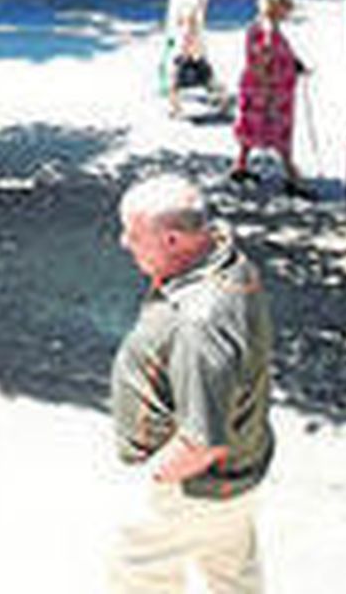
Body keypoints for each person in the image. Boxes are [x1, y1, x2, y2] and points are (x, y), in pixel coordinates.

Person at [109, 174, 275, 593]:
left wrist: (151, 482)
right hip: (236, 478)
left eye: (133, 233)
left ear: (172, 241)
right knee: (233, 576)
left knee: (140, 579)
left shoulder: (198, 321)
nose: (123, 243)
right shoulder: (224, 256)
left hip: (190, 490)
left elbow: (201, 444)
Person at [232, 0, 313, 198]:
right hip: (270, 93)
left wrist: (296, 64)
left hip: (261, 90)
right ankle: (293, 177)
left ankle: (240, 166)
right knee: (280, 134)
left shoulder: (264, 25)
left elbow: (278, 52)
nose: (290, 8)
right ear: (276, 6)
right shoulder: (267, 29)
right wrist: (267, 84)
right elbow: (263, 57)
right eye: (287, 4)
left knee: (251, 128)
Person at [167, 0, 221, 117]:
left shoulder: (187, 1)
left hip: (188, 45)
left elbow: (188, 25)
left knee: (175, 78)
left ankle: (175, 108)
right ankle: (221, 97)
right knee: (206, 76)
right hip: (198, 43)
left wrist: (185, 46)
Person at [156, 0, 186, 99]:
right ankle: (168, 86)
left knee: (171, 60)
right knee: (169, 58)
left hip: (178, 30)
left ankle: (169, 88)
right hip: (174, 28)